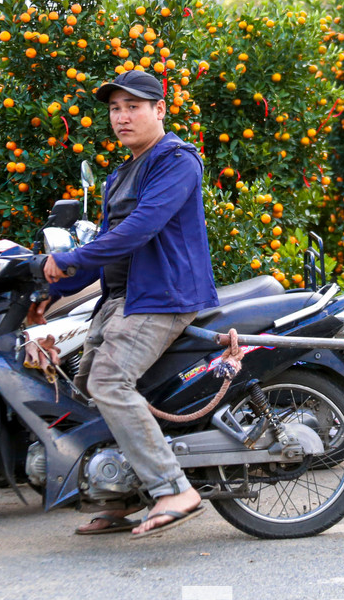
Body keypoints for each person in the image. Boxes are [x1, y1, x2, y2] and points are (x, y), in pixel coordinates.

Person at [39, 69, 219, 539]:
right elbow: (108, 250)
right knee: (85, 389)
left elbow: (141, 229)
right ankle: (118, 495)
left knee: (108, 381)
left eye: (133, 107)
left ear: (159, 110)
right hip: (122, 298)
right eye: (115, 109)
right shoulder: (120, 175)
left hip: (162, 297)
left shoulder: (176, 160)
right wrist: (48, 291)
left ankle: (174, 489)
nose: (122, 117)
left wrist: (69, 258)